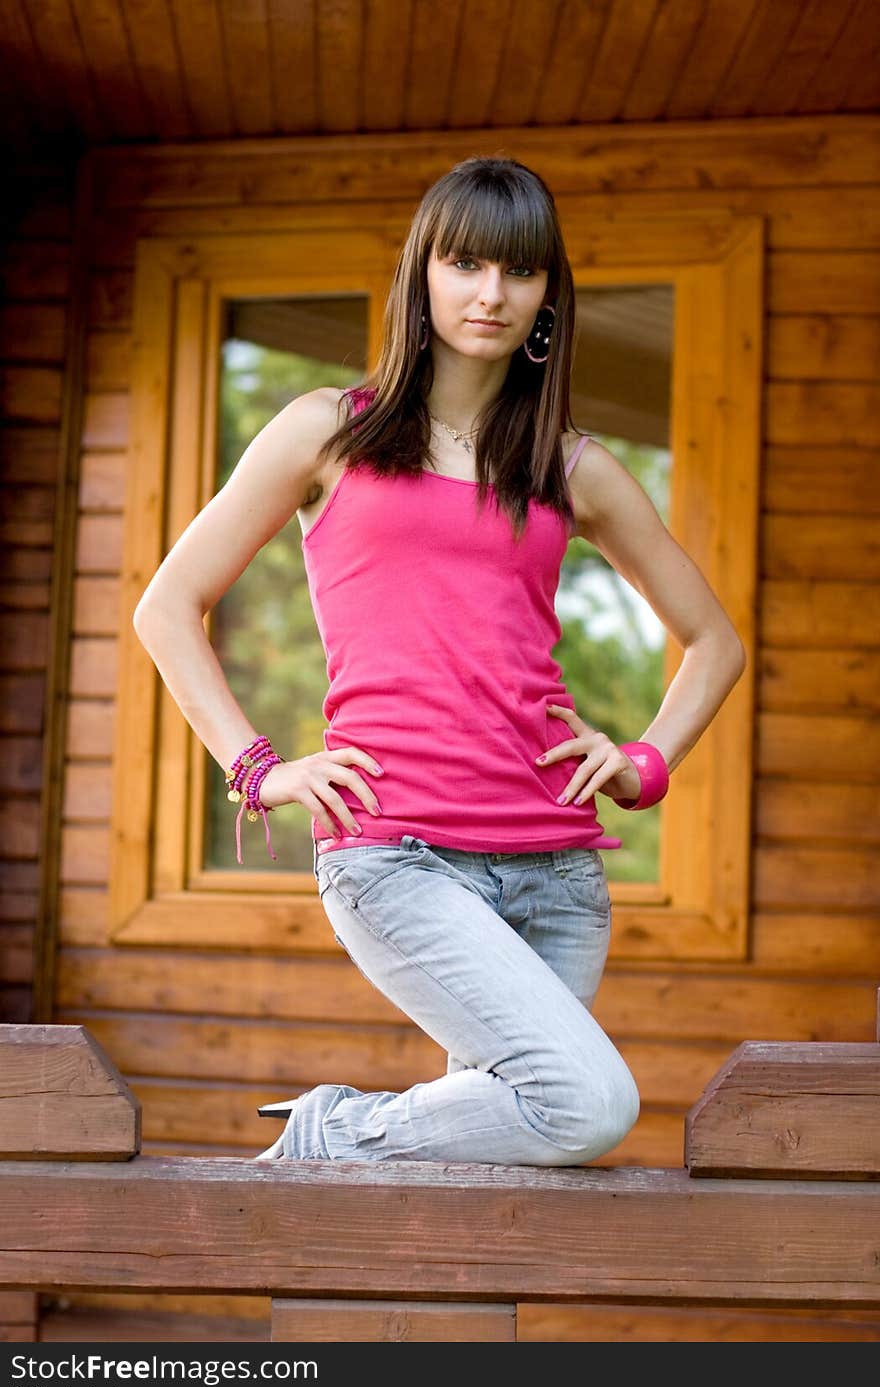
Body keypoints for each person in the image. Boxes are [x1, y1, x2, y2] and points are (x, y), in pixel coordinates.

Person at [133, 155, 746, 1168]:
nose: (491, 294)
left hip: (556, 870)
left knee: (488, 1155)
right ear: (423, 274)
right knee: (584, 1105)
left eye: (519, 271)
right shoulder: (328, 433)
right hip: (397, 853)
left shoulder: (572, 467)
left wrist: (645, 761)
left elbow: (714, 641)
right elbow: (168, 607)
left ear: (549, 293)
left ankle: (355, 1172)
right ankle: (332, 1128)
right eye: (466, 264)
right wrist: (259, 768)